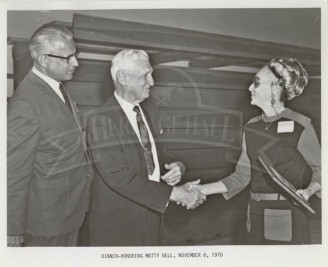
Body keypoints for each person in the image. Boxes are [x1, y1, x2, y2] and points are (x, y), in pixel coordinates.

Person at [190, 57, 321, 244]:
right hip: (255, 213)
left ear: (275, 88)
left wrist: (308, 191)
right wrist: (201, 189)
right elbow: (242, 176)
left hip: (288, 214)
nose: (250, 88)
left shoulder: (300, 124)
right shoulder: (251, 126)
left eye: (257, 83)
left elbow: (321, 170)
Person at [86, 49, 206, 246]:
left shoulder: (151, 110)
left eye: (151, 74)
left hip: (154, 216)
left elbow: (161, 155)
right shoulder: (101, 120)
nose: (152, 82)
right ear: (123, 78)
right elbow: (118, 175)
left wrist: (177, 167)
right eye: (145, 76)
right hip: (120, 224)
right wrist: (175, 194)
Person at [7, 24, 92, 246]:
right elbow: (13, 171)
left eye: (75, 54)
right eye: (67, 58)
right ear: (43, 60)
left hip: (66, 213)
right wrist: (11, 228)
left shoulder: (56, 87)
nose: (76, 63)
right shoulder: (26, 103)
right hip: (47, 222)